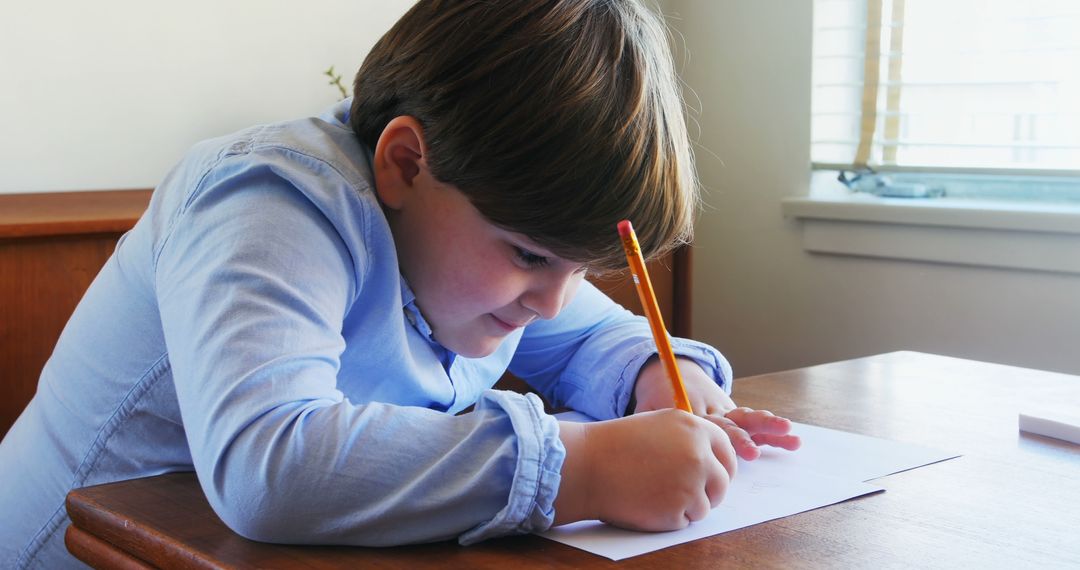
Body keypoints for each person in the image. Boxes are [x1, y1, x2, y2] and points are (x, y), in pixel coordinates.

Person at [0, 0, 800, 566]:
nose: (550, 302)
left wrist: (661, 376)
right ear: (406, 163)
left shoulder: (478, 245)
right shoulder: (269, 203)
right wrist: (582, 466)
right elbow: (269, 464)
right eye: (529, 255)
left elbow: (591, 332)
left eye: (580, 267)